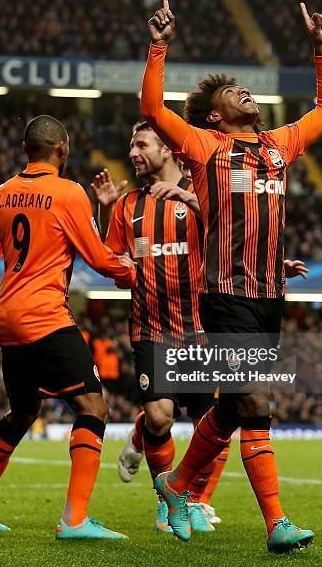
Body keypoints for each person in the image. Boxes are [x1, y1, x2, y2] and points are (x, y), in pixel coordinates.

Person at [141, 0, 322, 551]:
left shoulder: (278, 148)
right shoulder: (207, 147)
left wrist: (321, 52)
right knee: (255, 401)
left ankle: (178, 485)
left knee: (231, 406)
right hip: (223, 294)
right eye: (233, 93)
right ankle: (277, 525)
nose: (244, 93)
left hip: (269, 294)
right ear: (215, 115)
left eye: (244, 90)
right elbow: (155, 110)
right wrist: (159, 46)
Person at [0, 115, 136, 540]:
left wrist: (19, 236)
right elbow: (98, 256)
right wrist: (129, 273)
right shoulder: (69, 193)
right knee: (93, 407)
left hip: (7, 318)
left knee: (23, 412)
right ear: (62, 150)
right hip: (45, 314)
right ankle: (74, 519)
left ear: (25, 150)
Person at [92, 121, 228, 533]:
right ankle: (166, 501)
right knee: (160, 417)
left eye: (141, 144)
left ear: (167, 149)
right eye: (131, 144)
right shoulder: (128, 204)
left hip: (202, 329)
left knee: (212, 421)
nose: (133, 152)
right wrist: (105, 210)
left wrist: (193, 198)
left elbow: (230, 231)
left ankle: (197, 501)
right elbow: (112, 265)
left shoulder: (200, 190)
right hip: (151, 327)